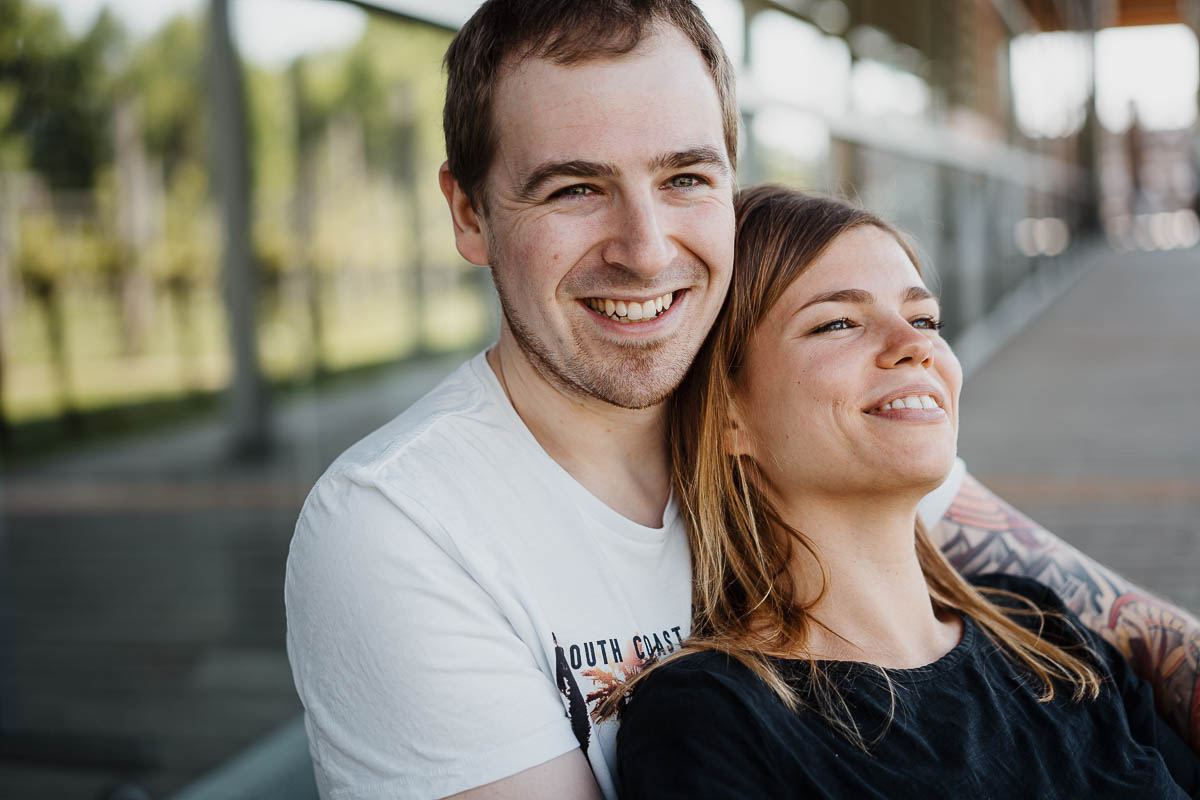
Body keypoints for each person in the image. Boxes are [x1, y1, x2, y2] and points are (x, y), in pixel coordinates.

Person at [283, 2, 1200, 798]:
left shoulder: (831, 445)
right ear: (469, 213)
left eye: (685, 177)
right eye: (574, 188)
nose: (644, 248)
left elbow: (1128, 631)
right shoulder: (399, 529)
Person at [614, 186, 1200, 797]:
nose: (916, 345)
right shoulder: (713, 718)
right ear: (729, 412)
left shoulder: (1045, 631)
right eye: (838, 322)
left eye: (924, 319)